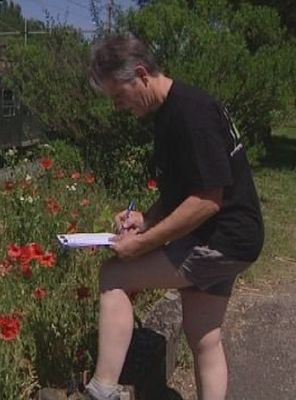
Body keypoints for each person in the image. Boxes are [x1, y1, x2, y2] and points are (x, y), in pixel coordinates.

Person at [83, 34, 264, 400]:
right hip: (236, 236)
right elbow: (184, 192)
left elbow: (206, 201)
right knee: (204, 337)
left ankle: (102, 391)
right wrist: (144, 221)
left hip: (220, 238)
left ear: (140, 74)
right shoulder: (173, 112)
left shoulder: (191, 113)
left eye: (119, 95)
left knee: (114, 274)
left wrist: (142, 244)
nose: (118, 106)